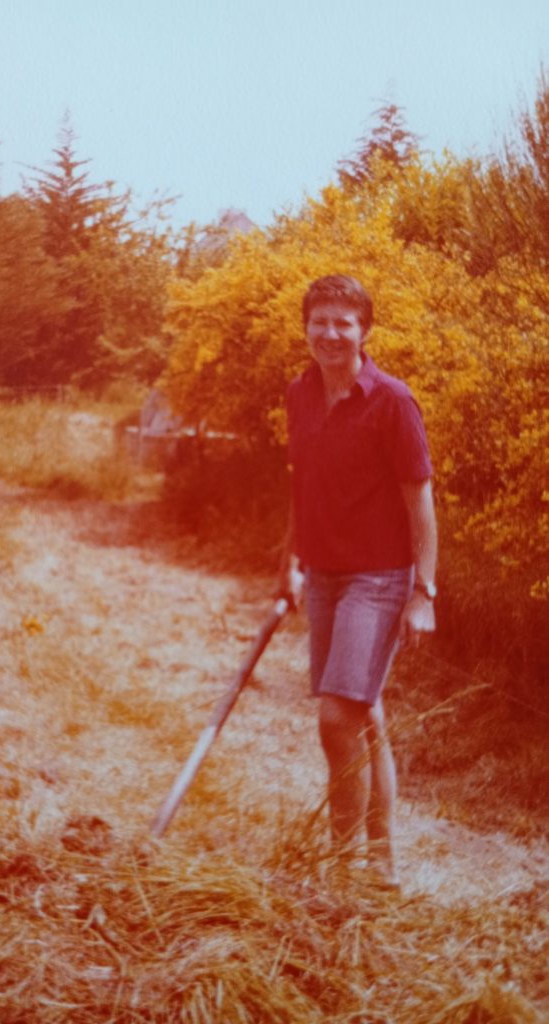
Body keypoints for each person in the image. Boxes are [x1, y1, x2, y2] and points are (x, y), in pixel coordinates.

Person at [278, 274, 437, 889]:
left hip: (379, 578)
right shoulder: (300, 393)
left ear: (365, 331)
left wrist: (424, 592)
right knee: (363, 712)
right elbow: (302, 484)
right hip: (324, 574)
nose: (330, 333)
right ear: (306, 327)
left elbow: (420, 502)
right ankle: (381, 864)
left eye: (344, 323)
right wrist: (288, 562)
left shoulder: (393, 401)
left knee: (335, 719)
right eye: (320, 321)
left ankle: (341, 871)